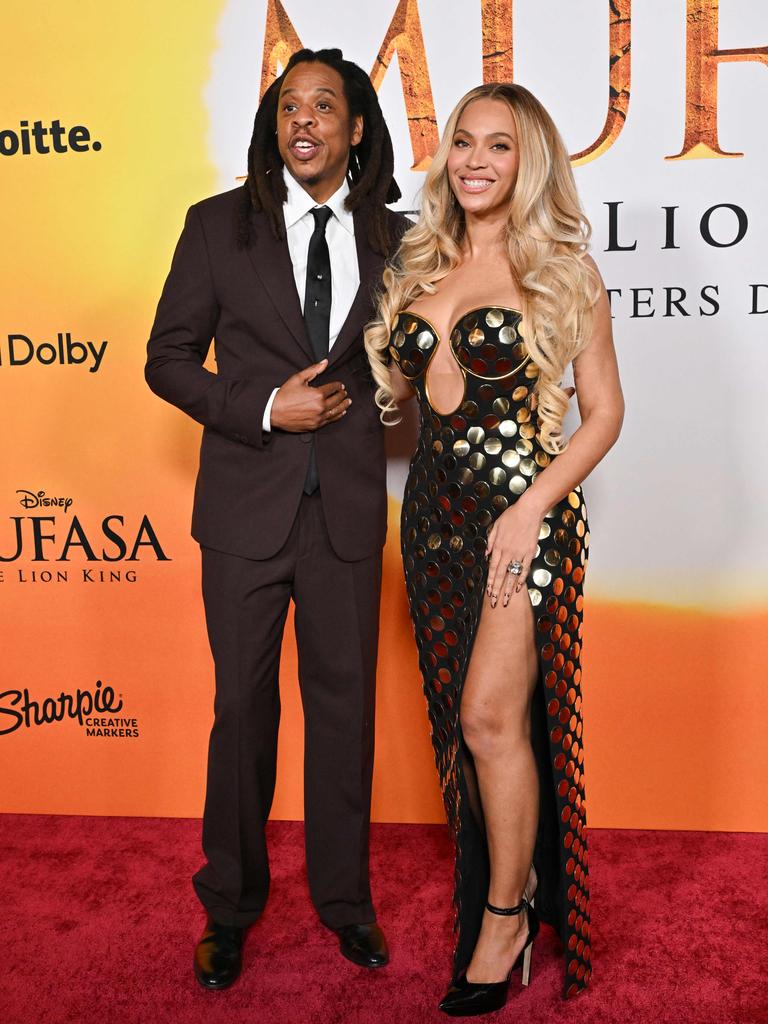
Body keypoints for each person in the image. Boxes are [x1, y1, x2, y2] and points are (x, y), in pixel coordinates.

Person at [146, 47, 408, 990]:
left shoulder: (402, 237)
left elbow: (417, 365)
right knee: (241, 715)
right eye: (289, 107)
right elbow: (168, 358)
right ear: (274, 126)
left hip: (343, 514)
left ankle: (347, 905)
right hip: (245, 511)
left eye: (323, 107)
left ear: (356, 128)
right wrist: (263, 409)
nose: (304, 122)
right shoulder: (217, 228)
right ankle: (228, 907)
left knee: (344, 716)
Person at [366, 83, 624, 1013]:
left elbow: (604, 415)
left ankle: (507, 915)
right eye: (464, 143)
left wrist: (531, 511)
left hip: (527, 524)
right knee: (465, 724)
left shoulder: (561, 270)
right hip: (432, 526)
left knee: (487, 719)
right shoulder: (420, 268)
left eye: (500, 147)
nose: (475, 160)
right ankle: (505, 894)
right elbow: (400, 388)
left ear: (531, 164)